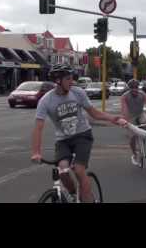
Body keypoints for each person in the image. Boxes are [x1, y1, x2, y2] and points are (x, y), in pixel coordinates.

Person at [31, 64, 123, 203]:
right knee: (63, 170)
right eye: (68, 79)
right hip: (63, 140)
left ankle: (87, 198)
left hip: (82, 135)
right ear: (58, 81)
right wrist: (36, 152)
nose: (72, 81)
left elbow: (94, 113)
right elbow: (38, 127)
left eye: (72, 78)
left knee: (79, 170)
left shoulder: (78, 92)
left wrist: (112, 118)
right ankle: (75, 195)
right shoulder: (46, 101)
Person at [121, 79, 146, 166]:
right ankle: (134, 154)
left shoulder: (143, 94)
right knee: (132, 137)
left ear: (138, 87)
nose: (134, 89)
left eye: (136, 87)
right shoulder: (124, 97)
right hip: (131, 115)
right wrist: (126, 122)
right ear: (129, 89)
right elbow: (124, 110)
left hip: (140, 113)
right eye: (132, 88)